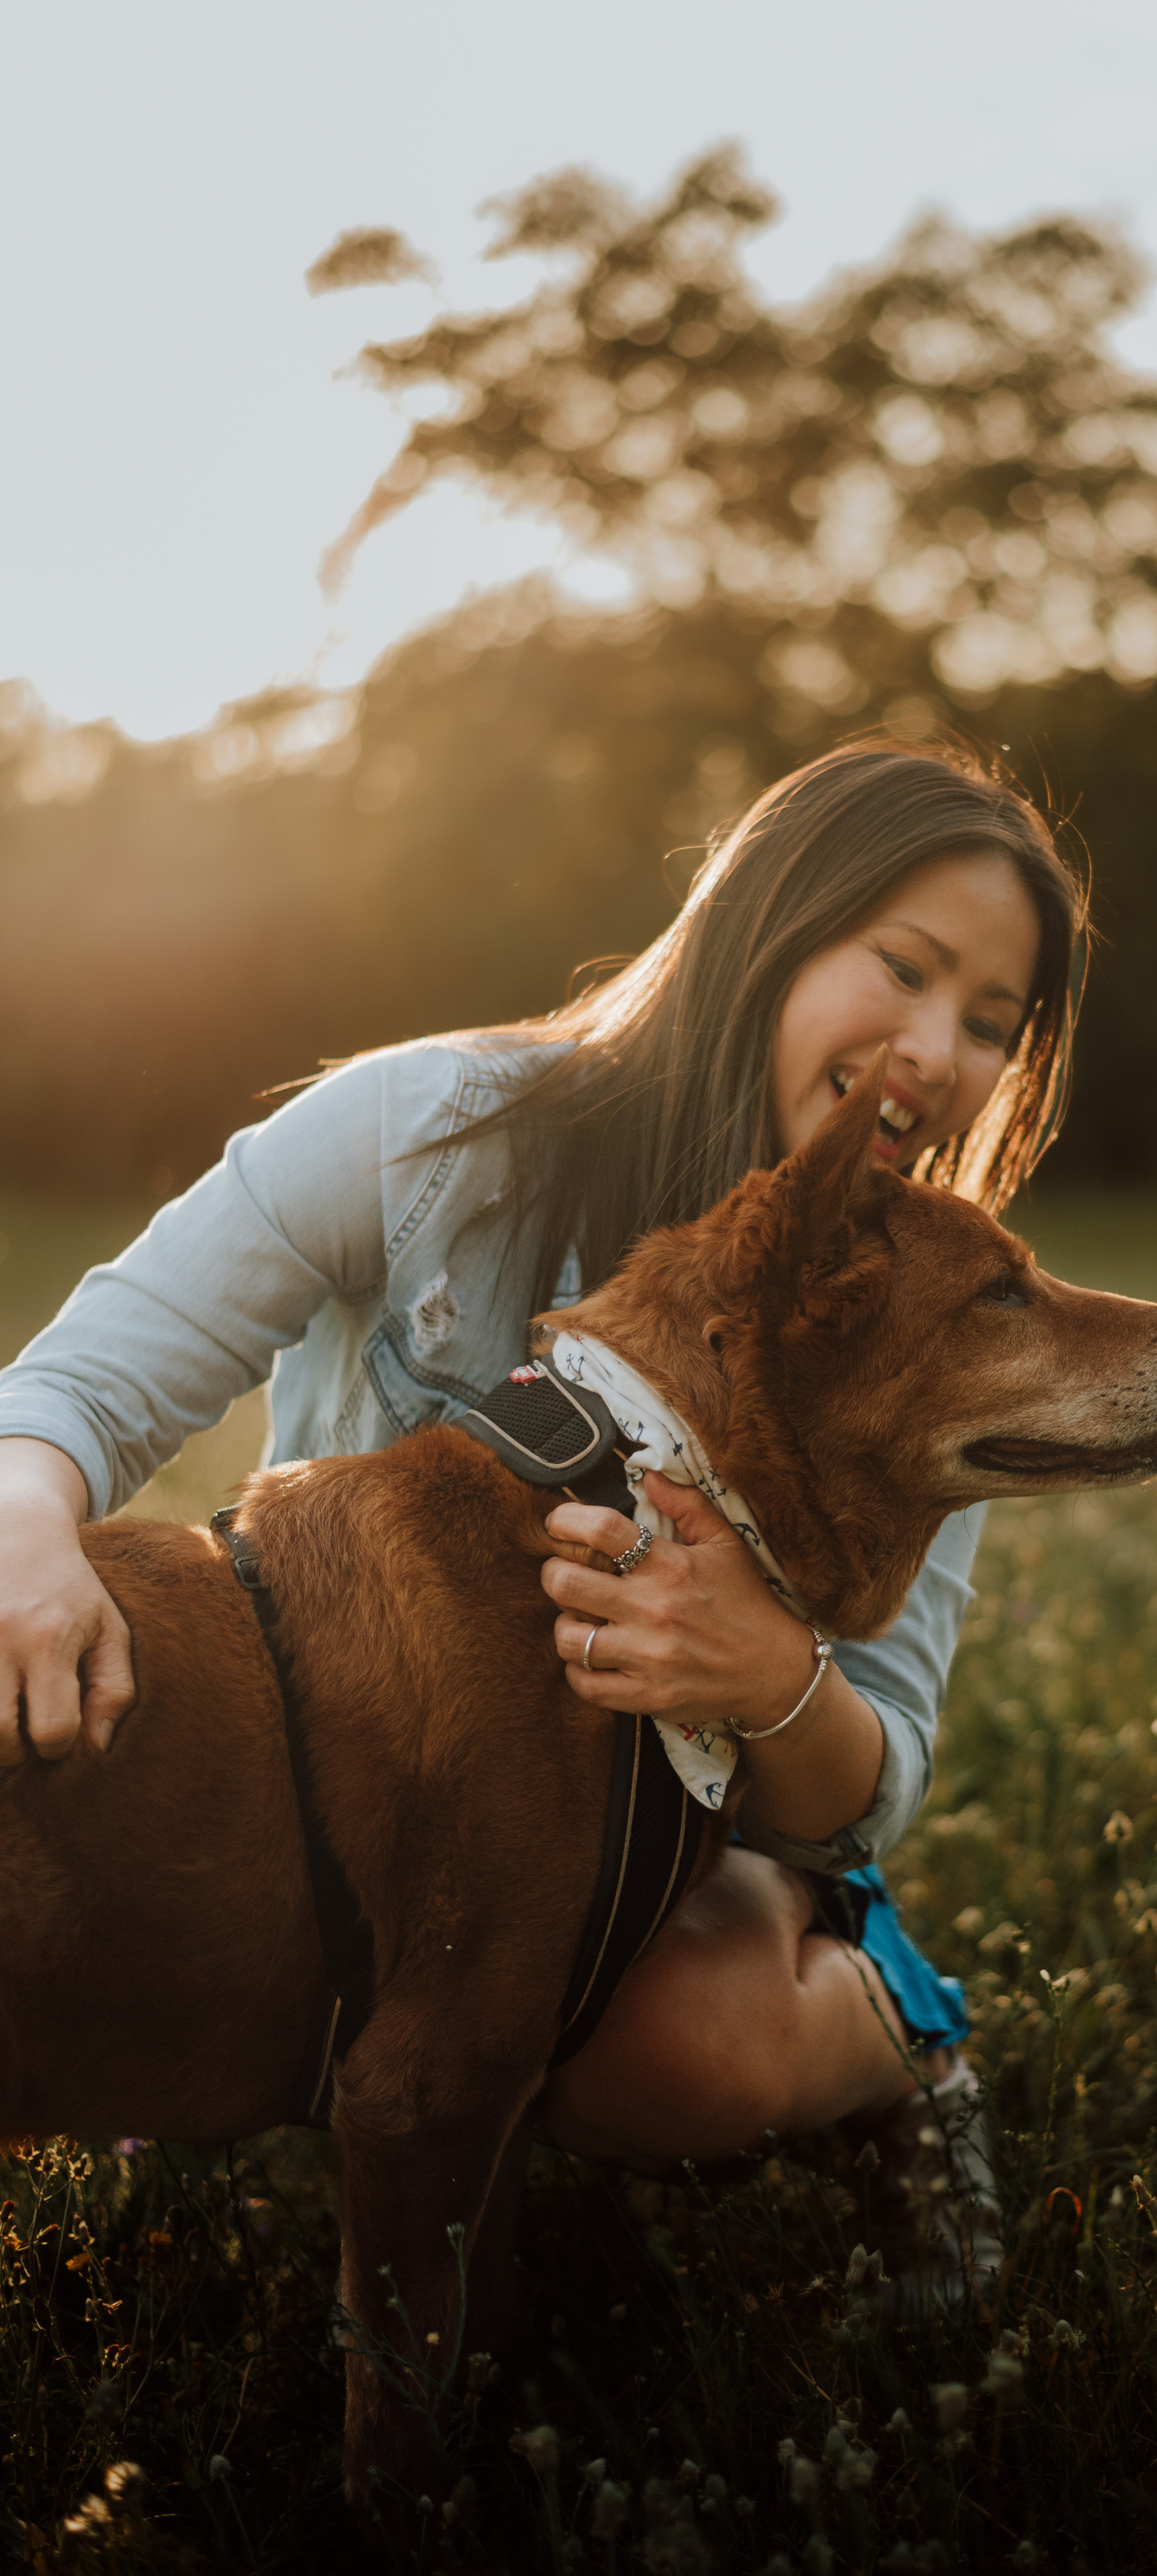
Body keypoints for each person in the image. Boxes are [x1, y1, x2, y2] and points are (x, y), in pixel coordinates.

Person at [0, 738, 1085, 2286]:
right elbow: (84, 1388)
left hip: (676, 1845)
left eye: (989, 1022)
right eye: (901, 969)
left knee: (684, 2057)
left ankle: (909, 2050)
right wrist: (26, 1529)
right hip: (364, 1807)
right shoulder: (430, 1131)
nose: (937, 1049)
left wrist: (763, 1669)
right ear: (765, 931)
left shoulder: (915, 1320)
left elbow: (864, 1786)